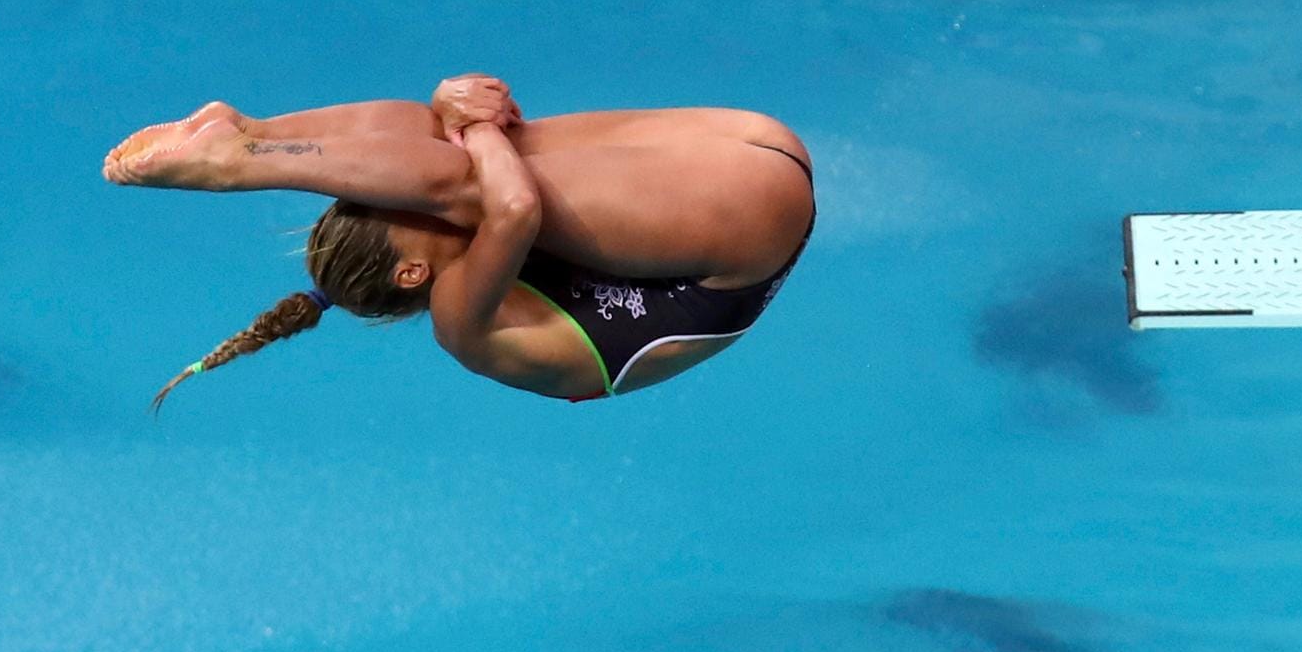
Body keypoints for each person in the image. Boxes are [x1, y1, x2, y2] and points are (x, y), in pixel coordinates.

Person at [103, 76, 814, 403]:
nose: (399, 189)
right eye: (400, 209)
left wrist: (450, 116)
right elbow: (509, 206)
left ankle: (255, 130)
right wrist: (469, 120)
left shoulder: (446, 261)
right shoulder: (460, 324)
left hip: (748, 159)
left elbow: (446, 154)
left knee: (444, 138)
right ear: (413, 272)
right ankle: (239, 164)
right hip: (748, 230)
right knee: (470, 172)